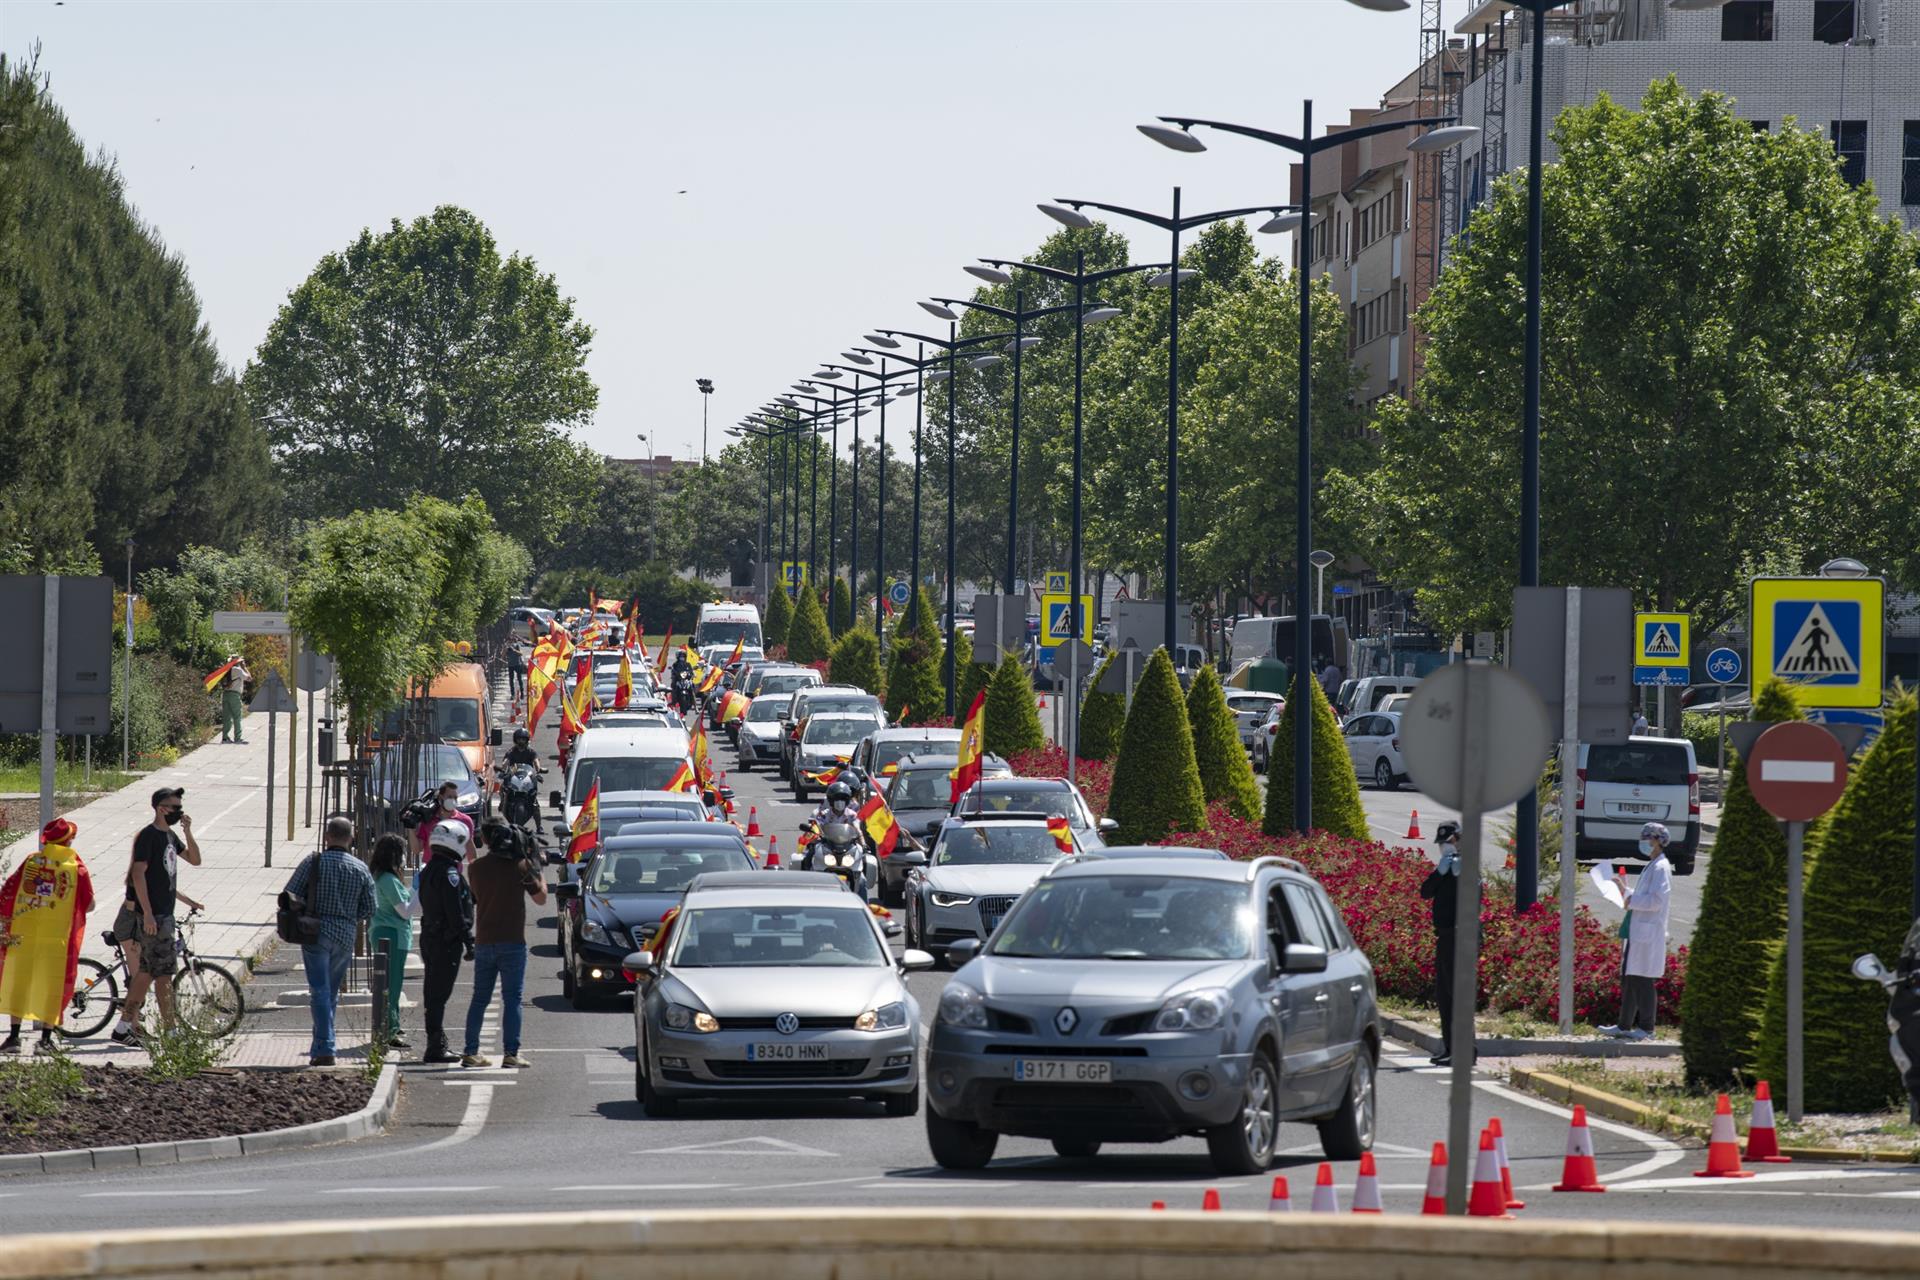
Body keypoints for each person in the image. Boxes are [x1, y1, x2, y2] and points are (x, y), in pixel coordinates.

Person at [111, 787, 203, 1044]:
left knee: (147, 973)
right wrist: (148, 914)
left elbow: (195, 859)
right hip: (156, 917)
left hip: (165, 915)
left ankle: (123, 1026)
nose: (179, 812)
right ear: (161, 808)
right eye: (175, 807)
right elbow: (137, 874)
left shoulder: (170, 836)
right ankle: (170, 1031)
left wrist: (188, 831)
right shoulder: (149, 836)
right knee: (163, 975)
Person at [284, 816, 375, 1067]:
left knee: (319, 990)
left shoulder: (313, 862)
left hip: (315, 931)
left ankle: (325, 1046)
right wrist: (349, 917)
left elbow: (291, 893)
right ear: (351, 838)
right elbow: (370, 907)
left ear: (327, 837)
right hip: (345, 934)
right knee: (331, 992)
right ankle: (322, 1043)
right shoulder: (360, 868)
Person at [0, 818, 95, 1055]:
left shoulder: (32, 861)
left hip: (25, 937)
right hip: (56, 941)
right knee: (53, 985)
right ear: (68, 840)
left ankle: (13, 1038)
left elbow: (8, 891)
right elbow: (89, 904)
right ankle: (45, 1040)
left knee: (20, 982)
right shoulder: (75, 867)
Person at [461, 821, 546, 1069]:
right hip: (512, 941)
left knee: (480, 998)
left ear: (486, 840)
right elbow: (541, 898)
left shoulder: (475, 868)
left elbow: (476, 897)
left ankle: (470, 1051)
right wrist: (537, 868)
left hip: (485, 940)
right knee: (512, 999)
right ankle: (511, 1053)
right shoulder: (520, 866)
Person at [1598, 822, 1673, 1041]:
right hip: (1638, 931)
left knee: (1643, 980)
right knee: (1630, 979)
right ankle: (1624, 1025)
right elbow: (1643, 896)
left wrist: (1628, 895)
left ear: (1657, 841)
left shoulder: (1661, 868)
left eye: (1647, 838)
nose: (1643, 843)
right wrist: (1625, 891)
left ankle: (1647, 1028)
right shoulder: (1652, 865)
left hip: (1648, 933)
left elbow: (1656, 901)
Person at [416, 819, 474, 1064]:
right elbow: (454, 911)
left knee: (432, 992)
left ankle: (436, 1040)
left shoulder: (429, 869)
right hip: (444, 941)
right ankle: (435, 1046)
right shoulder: (449, 873)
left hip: (430, 936)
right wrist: (468, 940)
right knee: (438, 994)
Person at [1419, 821, 1469, 1068]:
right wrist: (1440, 873)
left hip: (1462, 937)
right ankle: (1450, 1047)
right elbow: (1425, 892)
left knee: (1457, 995)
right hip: (1446, 937)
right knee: (1445, 995)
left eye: (1448, 842)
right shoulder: (1444, 868)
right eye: (1442, 844)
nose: (1445, 847)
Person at [367, 834, 412, 1050]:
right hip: (392, 934)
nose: (404, 857)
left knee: (390, 982)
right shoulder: (388, 880)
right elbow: (404, 911)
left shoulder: (381, 877)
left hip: (385, 932)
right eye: (403, 852)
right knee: (392, 984)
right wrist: (418, 894)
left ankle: (392, 1023)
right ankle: (390, 1030)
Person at [413, 780, 475, 864]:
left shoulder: (465, 821)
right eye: (449, 797)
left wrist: (475, 868)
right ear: (440, 797)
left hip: (453, 869)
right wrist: (410, 828)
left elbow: (470, 851)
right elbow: (417, 850)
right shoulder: (428, 820)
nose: (453, 800)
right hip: (431, 869)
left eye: (455, 797)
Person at [503, 728, 545, 834]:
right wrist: (503, 768)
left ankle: (539, 826)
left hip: (528, 779)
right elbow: (506, 761)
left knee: (535, 803)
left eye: (523, 739)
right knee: (504, 791)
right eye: (519, 739)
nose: (521, 741)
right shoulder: (511, 751)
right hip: (514, 779)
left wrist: (539, 770)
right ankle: (503, 804)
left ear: (527, 740)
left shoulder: (531, 752)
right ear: (515, 740)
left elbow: (536, 762)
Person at [219, 656, 251, 744]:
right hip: (234, 695)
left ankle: (225, 738)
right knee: (237, 717)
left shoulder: (226, 670)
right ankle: (237, 737)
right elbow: (249, 678)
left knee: (227, 717)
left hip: (225, 694)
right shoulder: (238, 670)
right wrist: (244, 667)